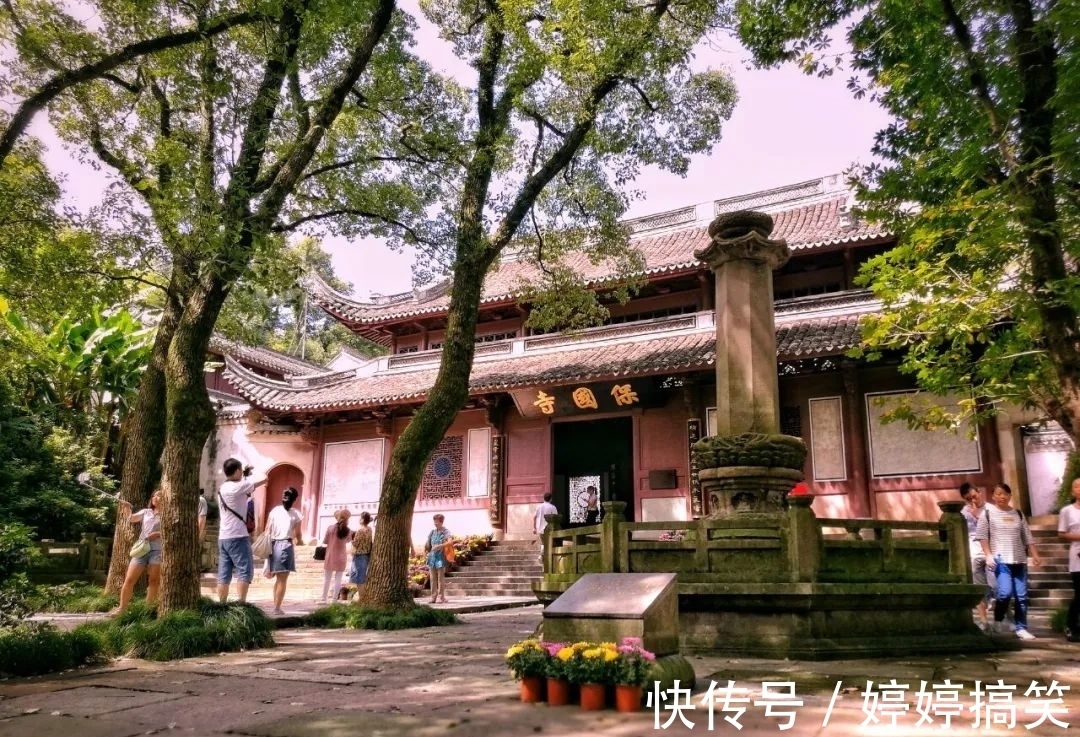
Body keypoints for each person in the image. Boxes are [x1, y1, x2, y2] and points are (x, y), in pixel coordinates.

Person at [975, 482, 1041, 640]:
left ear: (1010, 496)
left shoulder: (1018, 514)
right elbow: (982, 536)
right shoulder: (988, 514)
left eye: (1005, 494)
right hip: (1001, 560)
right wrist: (988, 555)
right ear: (993, 496)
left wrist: (1035, 554)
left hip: (1019, 560)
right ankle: (998, 619)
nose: (1001, 497)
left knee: (1022, 596)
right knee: (1004, 593)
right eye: (998, 494)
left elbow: (1027, 536)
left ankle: (1021, 628)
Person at [216, 457, 266, 604]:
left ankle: (222, 604)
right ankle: (241, 603)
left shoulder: (223, 487)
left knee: (224, 573)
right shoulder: (239, 487)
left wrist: (243, 474)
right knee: (244, 570)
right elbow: (264, 477)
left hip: (223, 537)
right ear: (237, 470)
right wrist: (251, 471)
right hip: (238, 535)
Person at [116, 489, 162, 613]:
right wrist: (126, 508)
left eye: (159, 496)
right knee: (129, 579)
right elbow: (131, 518)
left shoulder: (166, 515)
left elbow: (170, 532)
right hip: (142, 549)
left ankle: (148, 610)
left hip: (158, 550)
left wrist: (158, 534)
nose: (155, 497)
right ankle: (122, 608)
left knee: (154, 580)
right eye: (154, 495)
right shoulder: (146, 512)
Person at [959, 482, 994, 629]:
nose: (973, 501)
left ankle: (1006, 617)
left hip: (991, 552)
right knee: (978, 589)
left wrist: (977, 516)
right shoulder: (963, 512)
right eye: (968, 499)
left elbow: (996, 528)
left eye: (974, 496)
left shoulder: (991, 509)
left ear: (979, 492)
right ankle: (983, 620)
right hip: (973, 553)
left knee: (996, 586)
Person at [265, 486, 304, 615]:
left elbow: (267, 530)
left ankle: (276, 605)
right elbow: (298, 534)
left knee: (277, 578)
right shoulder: (296, 514)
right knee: (282, 579)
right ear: (294, 500)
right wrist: (300, 542)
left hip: (273, 544)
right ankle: (277, 607)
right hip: (285, 545)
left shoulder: (274, 511)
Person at [1057, 477, 1080, 642]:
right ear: (1073, 491)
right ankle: (1071, 625)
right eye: (1077, 487)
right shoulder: (1067, 511)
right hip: (1077, 557)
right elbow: (1062, 533)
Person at [320, 509, 353, 603]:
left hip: (330, 555)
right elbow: (348, 541)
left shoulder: (330, 528)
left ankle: (323, 598)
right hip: (341, 556)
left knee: (327, 579)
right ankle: (334, 600)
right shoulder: (348, 531)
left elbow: (325, 541)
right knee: (338, 579)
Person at [425, 514, 452, 604]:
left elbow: (450, 542)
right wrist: (426, 552)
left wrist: (440, 545)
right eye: (434, 521)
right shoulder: (432, 532)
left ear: (441, 522)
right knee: (432, 579)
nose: (435, 524)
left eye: (437, 522)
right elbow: (427, 544)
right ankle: (433, 597)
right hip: (432, 558)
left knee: (440, 578)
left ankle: (441, 597)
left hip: (440, 558)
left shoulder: (446, 532)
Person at [349, 511, 374, 599]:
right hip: (366, 554)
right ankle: (362, 597)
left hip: (359, 555)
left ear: (363, 520)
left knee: (360, 579)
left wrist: (351, 538)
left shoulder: (360, 530)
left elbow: (356, 543)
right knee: (362, 577)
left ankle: (362, 598)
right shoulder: (369, 529)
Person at [534, 492, 559, 561]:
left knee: (543, 543)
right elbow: (556, 518)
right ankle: (543, 556)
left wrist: (534, 528)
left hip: (540, 528)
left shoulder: (539, 506)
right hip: (549, 528)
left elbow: (534, 517)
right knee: (548, 543)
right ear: (551, 499)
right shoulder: (552, 507)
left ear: (544, 498)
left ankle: (542, 556)